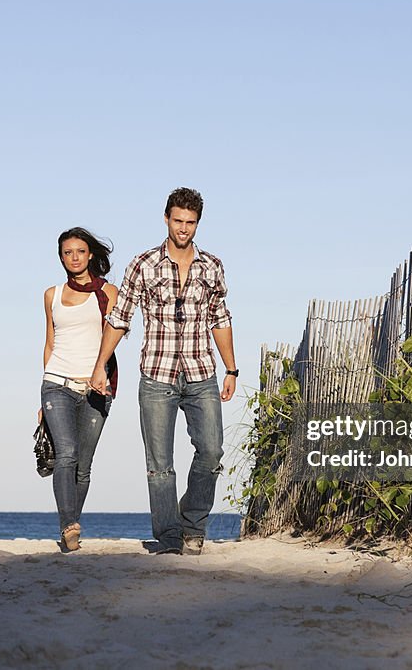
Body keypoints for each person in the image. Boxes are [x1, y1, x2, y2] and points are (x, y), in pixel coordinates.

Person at [91, 187, 237, 556]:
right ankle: (171, 538)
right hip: (157, 374)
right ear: (166, 218)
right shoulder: (143, 264)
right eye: (178, 220)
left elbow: (220, 318)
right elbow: (120, 318)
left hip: (201, 372)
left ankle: (192, 520)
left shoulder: (212, 266)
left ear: (198, 223)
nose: (183, 228)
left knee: (212, 451)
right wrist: (99, 366)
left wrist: (231, 369)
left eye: (190, 222)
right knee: (160, 465)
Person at [41, 227, 118, 552]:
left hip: (95, 388)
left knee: (83, 466)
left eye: (79, 251)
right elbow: (49, 343)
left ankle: (72, 521)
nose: (73, 257)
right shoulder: (51, 295)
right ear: (61, 257)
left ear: (90, 255)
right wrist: (42, 397)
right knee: (66, 455)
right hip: (55, 383)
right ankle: (69, 526)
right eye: (67, 252)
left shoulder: (109, 293)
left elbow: (113, 338)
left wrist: (102, 373)